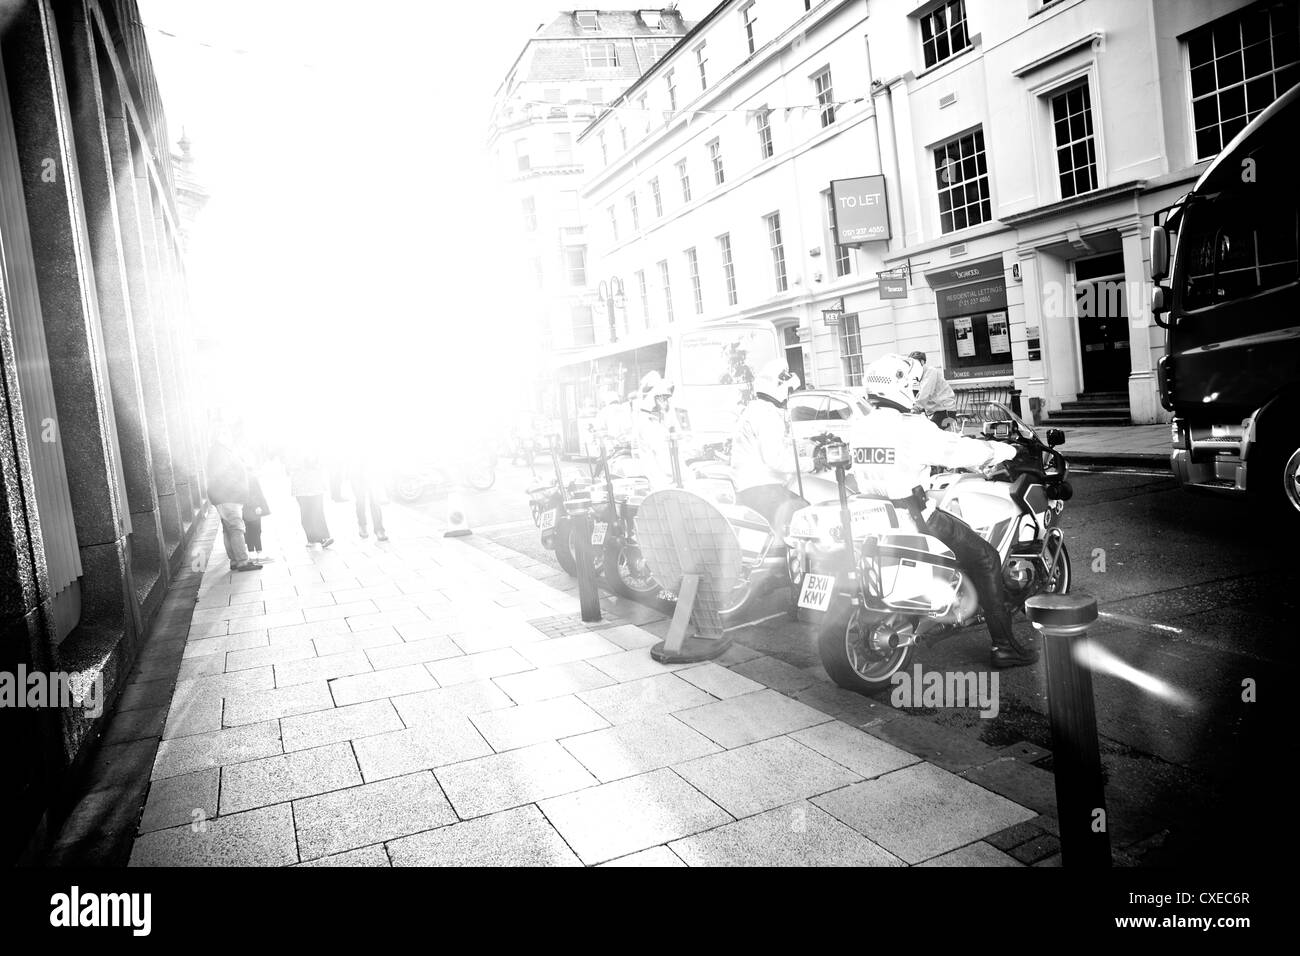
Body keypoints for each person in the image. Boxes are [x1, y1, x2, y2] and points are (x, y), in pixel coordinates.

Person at [848, 353, 1035, 669]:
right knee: (986, 557)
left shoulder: (861, 424)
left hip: (875, 515)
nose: (916, 390)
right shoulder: (910, 426)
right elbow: (959, 450)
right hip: (915, 516)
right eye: (913, 384)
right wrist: (1007, 450)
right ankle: (1004, 646)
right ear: (902, 386)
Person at [730, 359, 804, 530]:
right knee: (805, 514)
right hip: (762, 489)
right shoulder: (767, 414)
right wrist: (811, 464)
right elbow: (776, 460)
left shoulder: (756, 409)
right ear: (779, 388)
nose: (789, 397)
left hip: (752, 488)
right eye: (790, 391)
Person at [206, 424, 261, 572]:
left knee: (228, 529)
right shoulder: (220, 452)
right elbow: (223, 475)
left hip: (224, 496)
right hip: (228, 497)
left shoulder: (220, 451)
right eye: (225, 433)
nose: (228, 435)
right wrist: (237, 489)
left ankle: (235, 560)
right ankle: (242, 561)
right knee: (236, 528)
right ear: (218, 435)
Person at [631, 371, 679, 488]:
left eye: (667, 398)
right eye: (663, 398)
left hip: (666, 478)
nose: (666, 402)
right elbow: (662, 456)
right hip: (659, 480)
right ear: (654, 398)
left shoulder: (659, 420)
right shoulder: (647, 422)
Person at [287, 451, 334, 549]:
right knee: (306, 513)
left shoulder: (314, 448)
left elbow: (323, 462)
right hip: (301, 487)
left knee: (318, 511)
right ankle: (311, 538)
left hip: (315, 485)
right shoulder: (292, 451)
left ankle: (324, 537)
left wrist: (316, 462)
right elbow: (288, 467)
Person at [908, 350, 958, 429]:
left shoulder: (931, 372)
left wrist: (916, 408)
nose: (912, 365)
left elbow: (926, 393)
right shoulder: (920, 376)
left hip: (946, 412)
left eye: (915, 362)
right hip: (936, 411)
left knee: (930, 432)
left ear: (922, 362)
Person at [243, 470, 271, 562]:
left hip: (244, 508)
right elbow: (256, 493)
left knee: (249, 531)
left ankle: (252, 553)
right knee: (256, 530)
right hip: (253, 508)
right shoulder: (250, 477)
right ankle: (259, 552)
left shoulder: (238, 477)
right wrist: (257, 505)